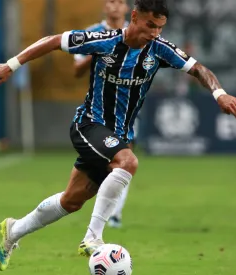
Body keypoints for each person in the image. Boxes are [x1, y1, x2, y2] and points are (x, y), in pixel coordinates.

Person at [0, 0, 236, 271]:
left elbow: (199, 69)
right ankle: (92, 238)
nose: (154, 33)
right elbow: (52, 40)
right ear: (134, 17)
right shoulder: (103, 40)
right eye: (150, 25)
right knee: (128, 162)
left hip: (119, 135)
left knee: (71, 200)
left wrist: (219, 93)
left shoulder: (160, 49)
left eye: (160, 27)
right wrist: (11, 65)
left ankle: (13, 231)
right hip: (89, 125)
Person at [73, 0, 131, 229]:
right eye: (111, 1)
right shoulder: (91, 34)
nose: (115, 6)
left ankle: (115, 214)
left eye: (120, 2)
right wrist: (98, 51)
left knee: (125, 160)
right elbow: (76, 70)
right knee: (103, 164)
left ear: (127, 8)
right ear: (104, 7)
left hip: (125, 108)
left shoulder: (135, 33)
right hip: (97, 109)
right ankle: (97, 212)